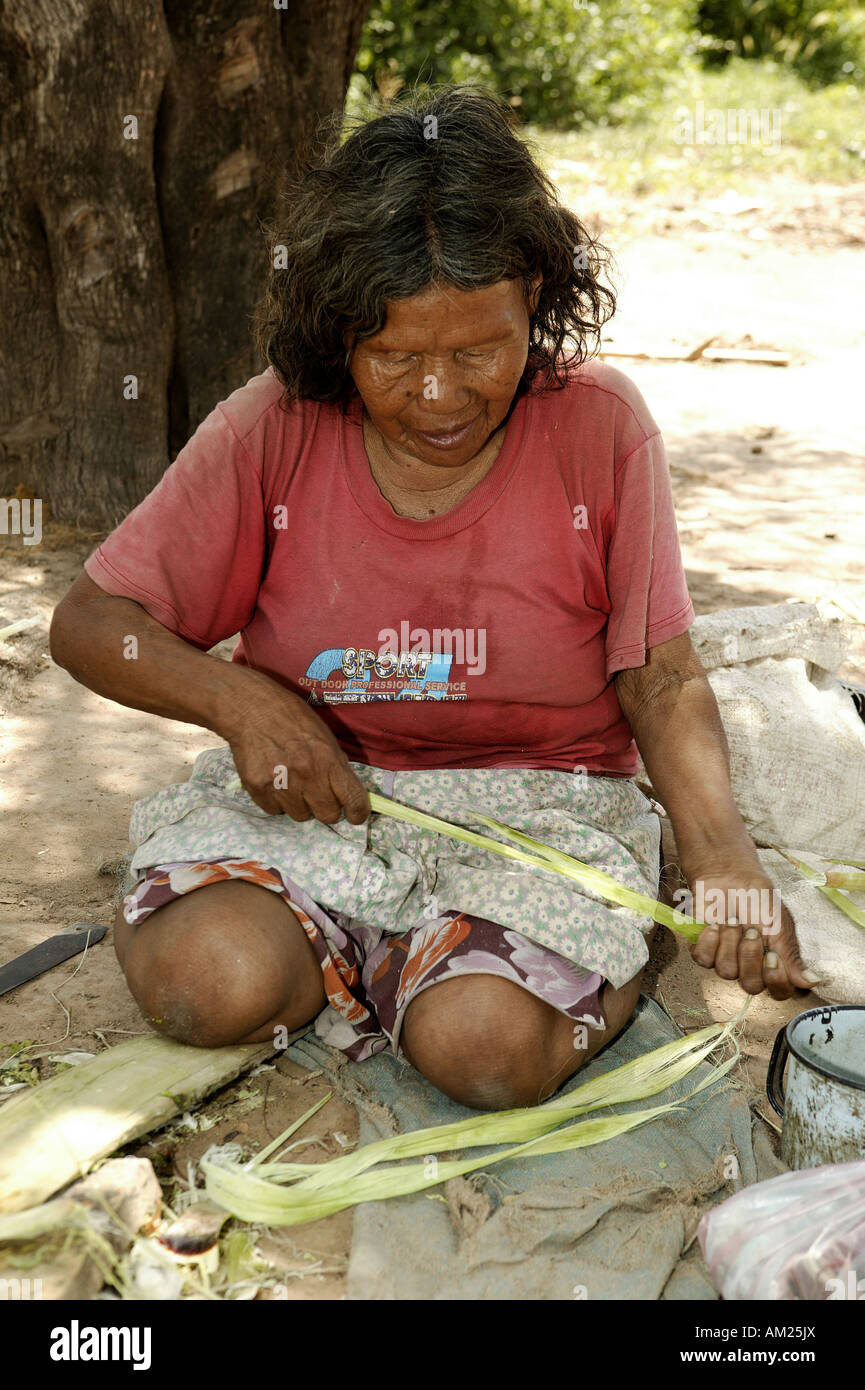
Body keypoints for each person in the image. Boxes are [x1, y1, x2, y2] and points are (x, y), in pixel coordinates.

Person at [50, 86, 816, 1113]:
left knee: (486, 1053)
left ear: (534, 297)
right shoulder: (276, 425)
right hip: (323, 805)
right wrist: (240, 704)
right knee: (206, 988)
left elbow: (661, 671)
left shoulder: (598, 428)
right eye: (396, 357)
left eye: (477, 350)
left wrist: (721, 860)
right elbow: (91, 623)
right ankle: (373, 958)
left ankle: (483, 969)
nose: (440, 395)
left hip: (539, 817)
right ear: (338, 334)